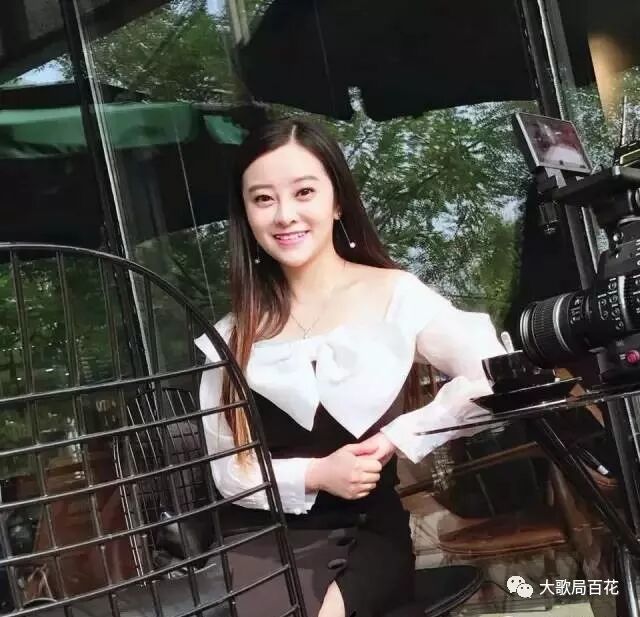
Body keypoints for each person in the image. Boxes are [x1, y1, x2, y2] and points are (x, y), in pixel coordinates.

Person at [195, 118, 505, 617]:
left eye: (304, 192)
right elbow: (230, 472)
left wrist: (400, 436)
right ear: (246, 216)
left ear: (337, 201)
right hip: (261, 538)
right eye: (263, 199)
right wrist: (317, 473)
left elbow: (495, 374)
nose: (285, 215)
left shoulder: (394, 294)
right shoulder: (232, 335)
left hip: (367, 529)